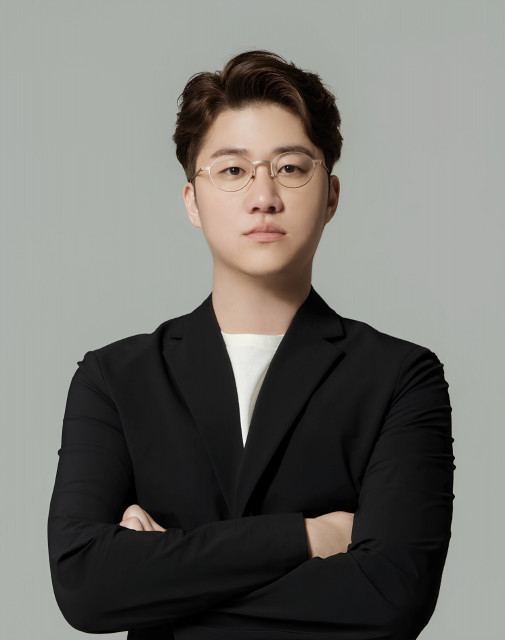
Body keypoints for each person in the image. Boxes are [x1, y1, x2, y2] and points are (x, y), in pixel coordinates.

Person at [47, 50, 455, 640]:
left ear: (331, 196)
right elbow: (86, 586)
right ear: (192, 200)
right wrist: (309, 537)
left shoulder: (400, 376)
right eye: (233, 170)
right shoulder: (115, 378)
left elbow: (391, 595)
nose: (264, 196)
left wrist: (162, 581)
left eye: (290, 167)